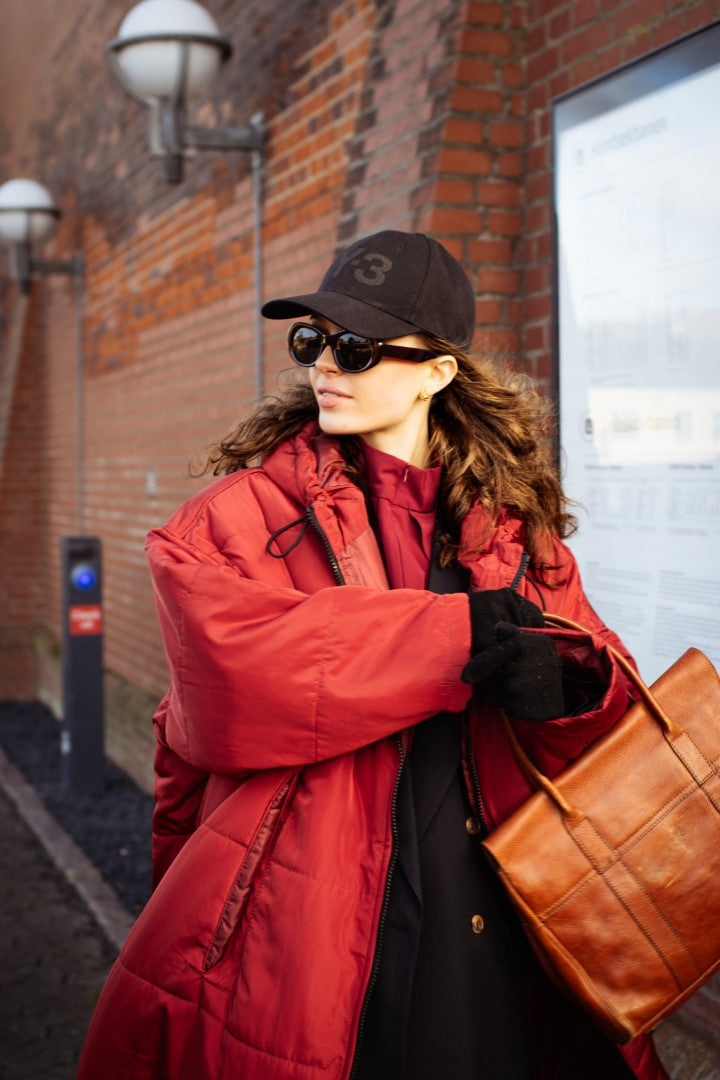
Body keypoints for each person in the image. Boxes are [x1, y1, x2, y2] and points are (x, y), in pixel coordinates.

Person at [78, 230, 668, 1080]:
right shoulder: (233, 519)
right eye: (313, 341)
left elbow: (612, 703)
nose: (325, 367)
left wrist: (571, 686)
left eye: (357, 349)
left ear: (438, 372)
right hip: (312, 913)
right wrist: (455, 637)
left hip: (491, 906)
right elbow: (233, 683)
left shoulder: (510, 529)